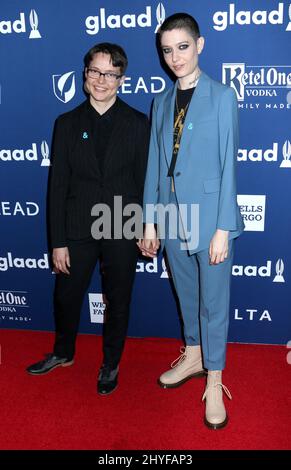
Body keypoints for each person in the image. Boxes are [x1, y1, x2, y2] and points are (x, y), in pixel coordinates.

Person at [138, 13, 244, 429]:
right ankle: (195, 356)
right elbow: (155, 166)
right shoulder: (160, 101)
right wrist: (150, 222)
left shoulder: (222, 96)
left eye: (183, 47)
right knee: (186, 296)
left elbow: (229, 166)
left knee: (213, 303)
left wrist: (223, 227)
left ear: (199, 45)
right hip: (171, 215)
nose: (175, 57)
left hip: (210, 218)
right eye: (167, 50)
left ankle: (214, 378)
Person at [27, 43, 150, 396]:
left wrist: (147, 226)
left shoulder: (138, 123)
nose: (101, 80)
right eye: (95, 71)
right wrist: (58, 241)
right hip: (77, 223)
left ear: (121, 80)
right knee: (66, 296)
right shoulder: (65, 123)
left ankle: (111, 363)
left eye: (110, 74)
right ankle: (63, 352)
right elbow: (57, 186)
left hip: (121, 223)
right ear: (85, 74)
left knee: (118, 300)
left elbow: (145, 182)